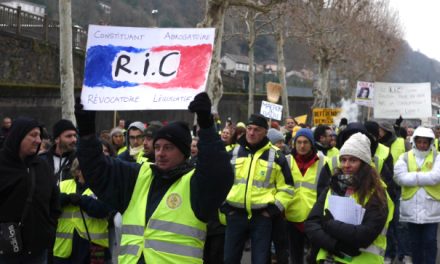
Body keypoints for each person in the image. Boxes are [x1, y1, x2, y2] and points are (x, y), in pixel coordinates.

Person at [74, 92, 234, 263]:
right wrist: (86, 134)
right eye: (157, 147)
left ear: (184, 152)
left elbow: (219, 173)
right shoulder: (138, 176)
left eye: (168, 147)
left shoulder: (195, 184)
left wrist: (207, 127)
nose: (160, 153)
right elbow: (98, 170)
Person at [305, 132, 393, 263]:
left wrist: (329, 224)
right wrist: (335, 246)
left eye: (353, 160)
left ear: (364, 163)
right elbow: (311, 224)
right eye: (343, 159)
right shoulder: (333, 187)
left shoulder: (377, 193)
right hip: (330, 259)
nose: (346, 165)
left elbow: (364, 235)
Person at [222, 113, 294, 264]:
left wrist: (272, 211)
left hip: (262, 218)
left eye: (257, 129)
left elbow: (287, 188)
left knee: (260, 260)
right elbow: (219, 183)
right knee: (229, 259)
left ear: (265, 132)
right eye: (249, 128)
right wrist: (225, 207)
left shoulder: (277, 156)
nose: (252, 133)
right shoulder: (233, 153)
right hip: (235, 215)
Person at [0, 117, 61, 263]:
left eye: (39, 135)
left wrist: (48, 230)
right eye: (33, 135)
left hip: (38, 252)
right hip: (5, 251)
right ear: (18, 136)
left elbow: (54, 201)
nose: (39, 140)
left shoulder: (42, 166)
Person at [394, 126, 440, 264]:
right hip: (411, 208)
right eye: (419, 142)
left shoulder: (437, 156)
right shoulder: (405, 157)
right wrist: (425, 177)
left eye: (425, 142)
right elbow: (399, 178)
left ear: (430, 143)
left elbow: (436, 177)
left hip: (431, 209)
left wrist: (413, 177)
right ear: (414, 141)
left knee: (430, 241)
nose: (422, 145)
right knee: (414, 242)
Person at [53, 159, 112, 264]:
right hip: (64, 247)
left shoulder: (102, 186)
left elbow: (103, 209)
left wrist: (81, 200)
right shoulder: (63, 185)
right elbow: (51, 203)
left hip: (95, 247)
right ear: (77, 170)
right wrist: (67, 198)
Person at [285, 128, 327, 264]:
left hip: (314, 218)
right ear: (294, 143)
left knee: (314, 257)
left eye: (306, 142)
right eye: (299, 142)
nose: (302, 146)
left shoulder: (323, 162)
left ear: (312, 144)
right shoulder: (286, 161)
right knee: (295, 257)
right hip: (292, 216)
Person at [378, 121, 412, 264]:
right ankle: (389, 253)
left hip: (400, 189)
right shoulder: (377, 145)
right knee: (387, 223)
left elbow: (411, 161)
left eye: (379, 130)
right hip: (383, 188)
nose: (377, 133)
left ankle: (405, 254)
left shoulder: (403, 143)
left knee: (401, 223)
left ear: (386, 131)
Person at [40, 119, 78, 185]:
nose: (74, 139)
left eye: (75, 136)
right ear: (57, 139)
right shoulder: (42, 160)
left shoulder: (79, 160)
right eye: (68, 136)